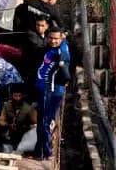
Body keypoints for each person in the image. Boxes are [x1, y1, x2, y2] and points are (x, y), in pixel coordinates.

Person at [33, 28, 71, 161]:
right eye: (51, 38)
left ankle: (45, 151)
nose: (53, 41)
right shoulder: (49, 49)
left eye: (56, 39)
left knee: (44, 121)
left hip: (50, 89)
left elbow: (65, 68)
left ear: (62, 39)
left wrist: (66, 79)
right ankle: (39, 150)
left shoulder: (62, 51)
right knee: (43, 120)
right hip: (44, 88)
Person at [0, 84, 38, 154]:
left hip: (22, 133)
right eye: (15, 96)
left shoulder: (28, 108)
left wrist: (27, 127)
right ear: (11, 96)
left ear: (22, 96)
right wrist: (8, 125)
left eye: (19, 96)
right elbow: (1, 120)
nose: (17, 98)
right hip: (10, 131)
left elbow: (36, 124)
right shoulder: (7, 105)